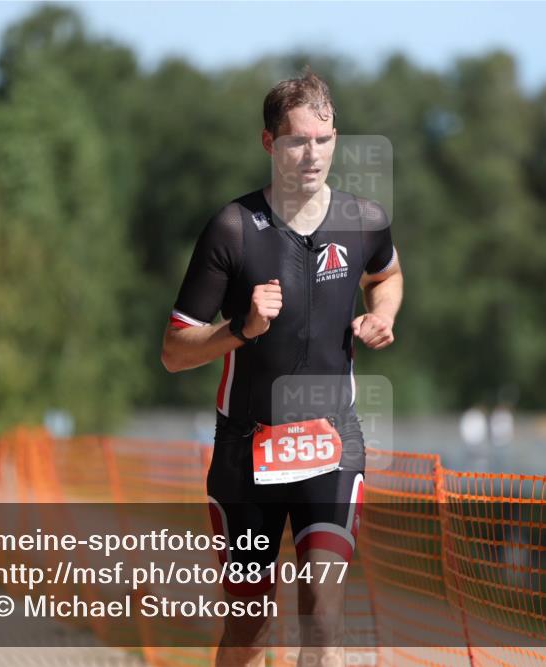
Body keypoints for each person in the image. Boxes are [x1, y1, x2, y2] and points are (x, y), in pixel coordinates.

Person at [162, 68, 403, 667]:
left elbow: (388, 275)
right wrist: (239, 329)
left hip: (331, 442)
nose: (311, 154)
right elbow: (174, 350)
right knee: (251, 627)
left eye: (323, 140)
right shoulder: (232, 229)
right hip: (247, 447)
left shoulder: (364, 219)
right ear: (269, 143)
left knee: (323, 610)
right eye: (297, 140)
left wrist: (382, 314)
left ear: (336, 138)